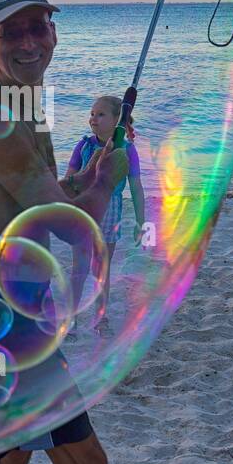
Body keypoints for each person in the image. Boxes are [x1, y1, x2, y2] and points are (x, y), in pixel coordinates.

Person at [0, 0, 128, 464]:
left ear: (54, 33)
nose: (29, 43)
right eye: (12, 32)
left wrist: (83, 175)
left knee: (13, 458)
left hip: (14, 304)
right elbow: (70, 225)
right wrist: (107, 179)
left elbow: (44, 195)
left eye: (39, 27)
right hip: (1, 312)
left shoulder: (24, 107)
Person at [64, 95, 145, 320]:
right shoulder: (84, 145)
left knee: (101, 268)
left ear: (117, 119)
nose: (93, 119)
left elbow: (136, 188)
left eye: (101, 114)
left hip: (111, 210)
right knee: (79, 269)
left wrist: (141, 220)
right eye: (92, 114)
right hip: (83, 208)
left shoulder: (127, 150)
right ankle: (72, 318)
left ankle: (101, 316)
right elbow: (70, 178)